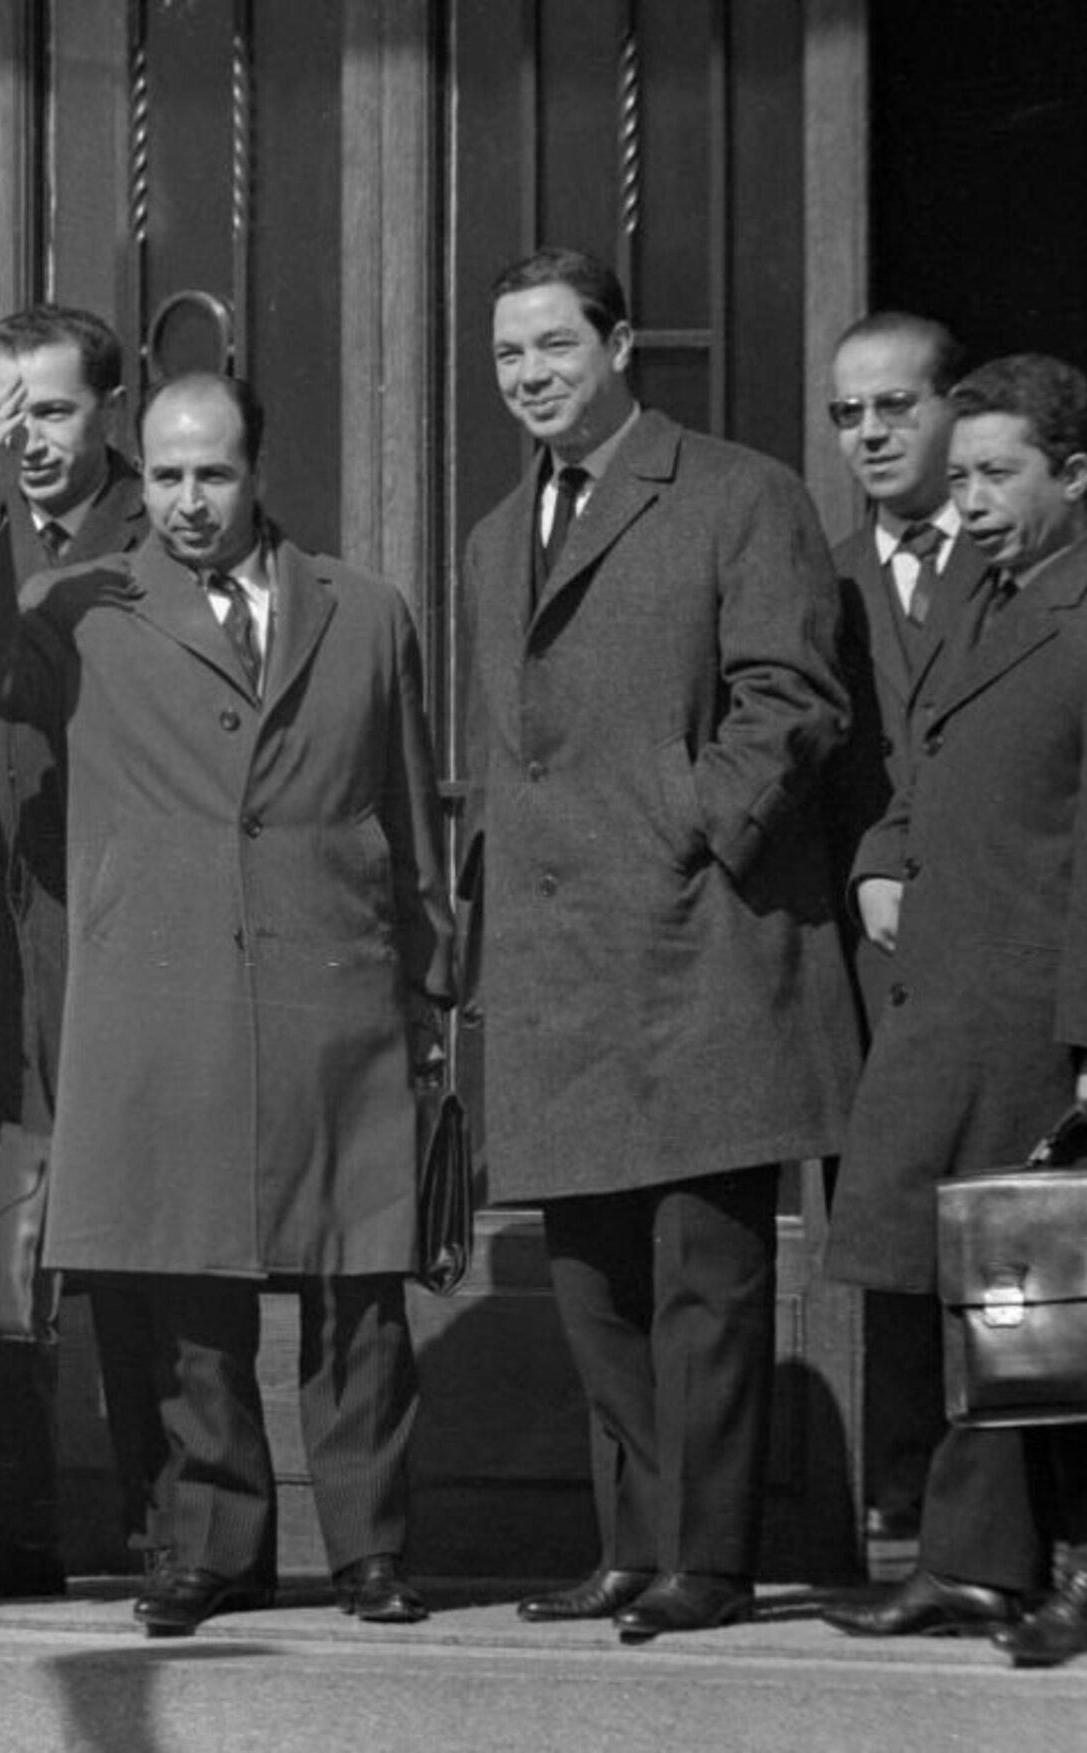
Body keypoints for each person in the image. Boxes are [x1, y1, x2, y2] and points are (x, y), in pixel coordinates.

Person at [0, 371, 453, 1636]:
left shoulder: (364, 610)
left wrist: (433, 983)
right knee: (186, 1287)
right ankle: (212, 1547)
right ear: (135, 476)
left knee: (357, 1279)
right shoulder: (78, 604)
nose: (187, 501)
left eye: (211, 474)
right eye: (163, 477)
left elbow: (412, 809)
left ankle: (371, 1548)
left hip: (335, 977)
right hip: (161, 986)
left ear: (258, 472)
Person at [461, 246, 857, 1641]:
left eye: (554, 347)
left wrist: (689, 826)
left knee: (706, 1273)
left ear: (619, 345)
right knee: (593, 1284)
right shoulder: (492, 538)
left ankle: (710, 1554)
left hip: (703, 949)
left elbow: (792, 696)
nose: (529, 377)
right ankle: (634, 1545)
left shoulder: (739, 495)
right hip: (562, 970)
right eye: (508, 355)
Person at [821, 354, 1087, 1665]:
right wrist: (879, 853)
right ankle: (972, 1567)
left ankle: (1074, 1571)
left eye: (999, 475)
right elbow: (928, 771)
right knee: (968, 1296)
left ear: (1074, 476)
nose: (969, 498)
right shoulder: (980, 601)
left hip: (1042, 1012)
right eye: (963, 472)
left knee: (1049, 1303)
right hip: (949, 997)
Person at [0, 305, 167, 1605]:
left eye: (52, 411)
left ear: (111, 408)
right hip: (1, 956)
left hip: (125, 941)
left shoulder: (161, 529)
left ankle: (169, 1521)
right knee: (12, 1252)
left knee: (136, 1243)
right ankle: (14, 1528)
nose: (29, 440)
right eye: (7, 413)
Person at [823, 313, 986, 1560]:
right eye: (847, 414)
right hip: (861, 968)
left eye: (896, 407)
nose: (870, 433)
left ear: (949, 409)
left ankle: (1011, 1515)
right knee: (880, 1223)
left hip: (994, 951)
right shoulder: (821, 579)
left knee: (999, 1225)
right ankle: (895, 1505)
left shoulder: (1019, 563)